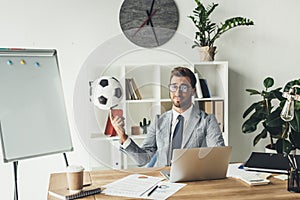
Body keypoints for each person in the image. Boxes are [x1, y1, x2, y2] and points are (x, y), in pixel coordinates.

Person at [110, 66, 225, 167]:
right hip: (163, 181)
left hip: (193, 181)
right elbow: (144, 159)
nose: (177, 92)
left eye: (184, 87)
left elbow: (218, 156)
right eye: (174, 87)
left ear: (193, 91)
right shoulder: (158, 121)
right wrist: (122, 135)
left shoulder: (207, 121)